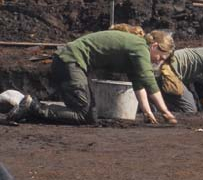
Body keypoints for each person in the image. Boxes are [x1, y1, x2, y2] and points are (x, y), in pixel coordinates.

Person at [6, 28, 178, 125]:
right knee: (83, 114)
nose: (159, 62)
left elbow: (139, 83)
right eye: (160, 57)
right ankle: (34, 107)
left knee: (90, 114)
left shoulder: (136, 50)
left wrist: (148, 113)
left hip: (70, 63)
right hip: (70, 62)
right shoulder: (140, 47)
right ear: (155, 46)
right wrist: (166, 112)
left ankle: (30, 110)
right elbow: (149, 81)